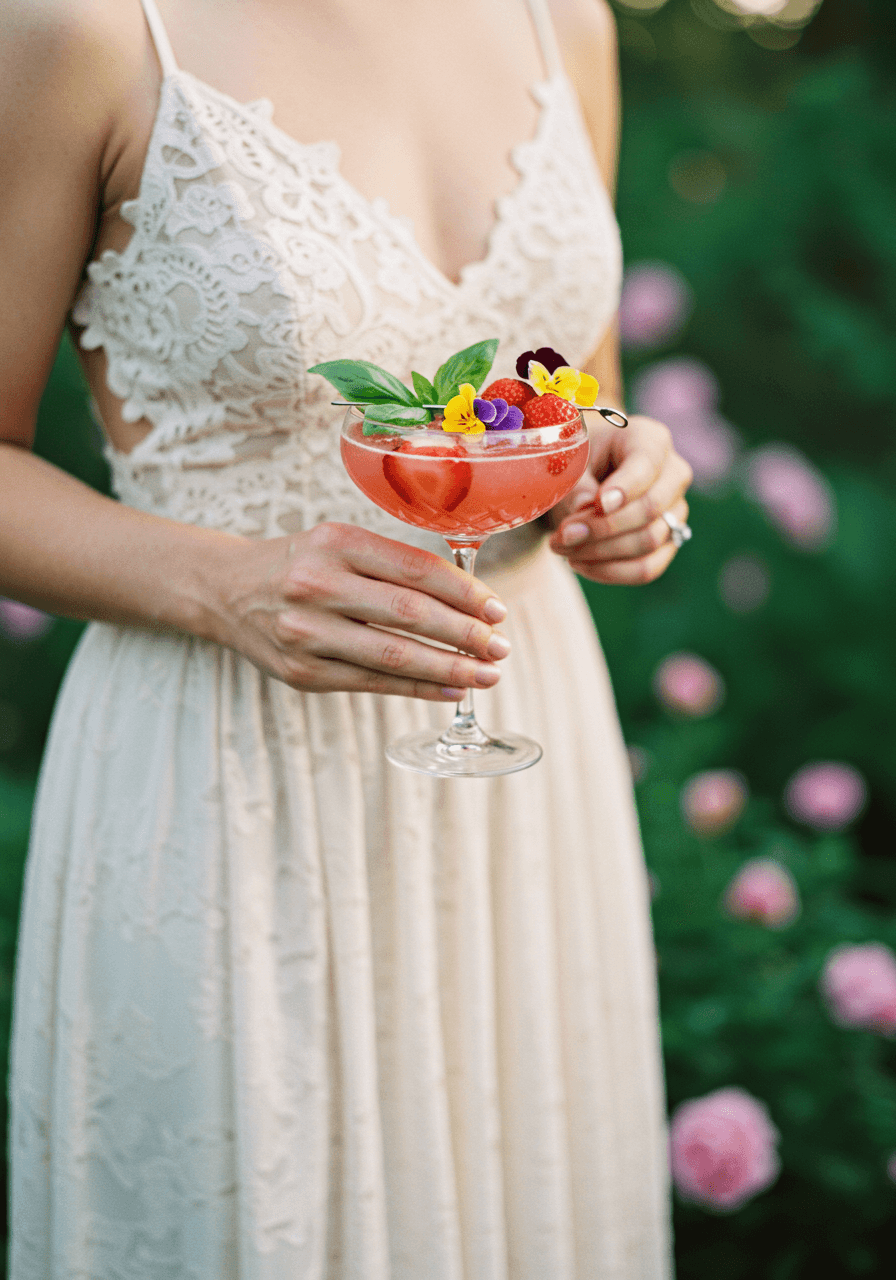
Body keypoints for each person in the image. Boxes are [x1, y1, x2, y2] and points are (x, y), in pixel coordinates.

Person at [0, 0, 692, 1274]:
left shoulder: (563, 22)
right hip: (228, 776)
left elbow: (565, 392)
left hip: (522, 767)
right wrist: (226, 586)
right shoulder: (78, 30)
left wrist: (619, 478)